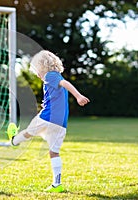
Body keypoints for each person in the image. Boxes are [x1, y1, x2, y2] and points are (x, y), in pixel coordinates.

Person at [7, 50, 90, 193]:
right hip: (60, 123)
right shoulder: (56, 76)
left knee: (28, 132)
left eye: (36, 70)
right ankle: (57, 184)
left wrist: (78, 96)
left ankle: (14, 140)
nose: (37, 74)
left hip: (47, 117)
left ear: (42, 67)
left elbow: (65, 83)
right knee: (54, 152)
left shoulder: (51, 76)